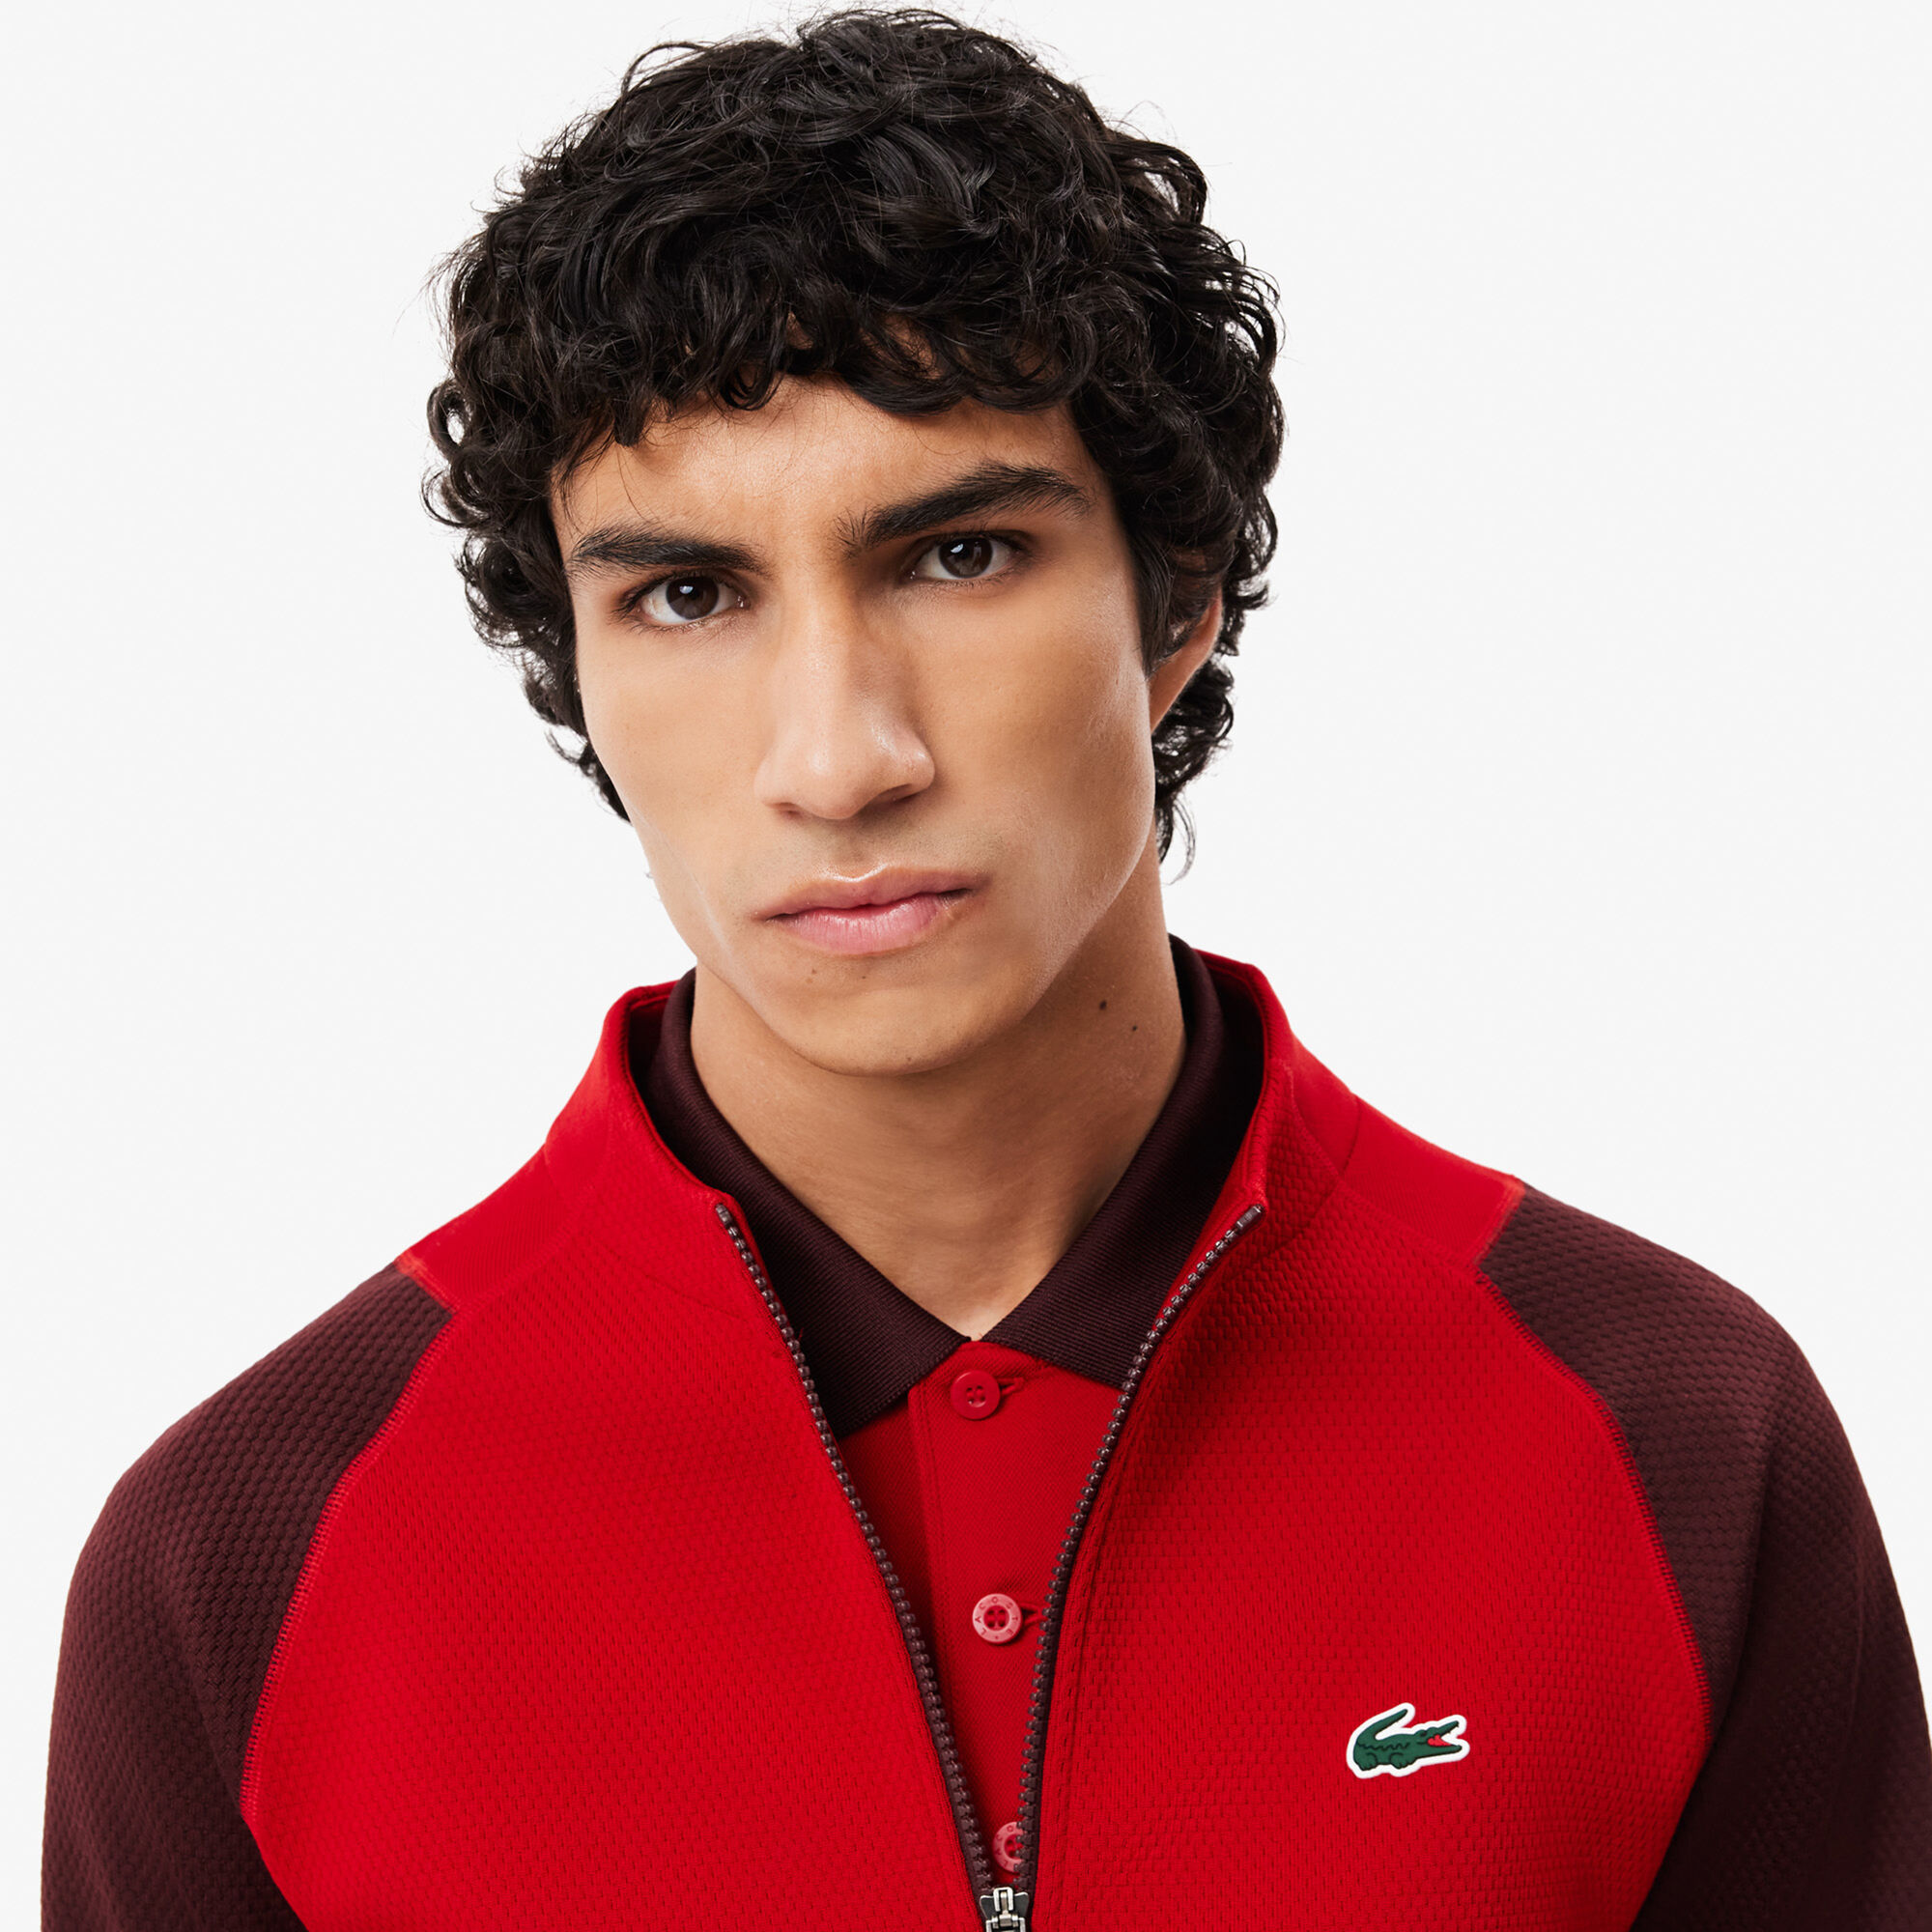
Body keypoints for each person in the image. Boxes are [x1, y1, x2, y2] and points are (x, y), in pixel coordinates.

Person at [40, 11, 1930, 1929]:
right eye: (686, 594)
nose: (837, 757)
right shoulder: (245, 1561)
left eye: (956, 556)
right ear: (577, 666)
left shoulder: (1674, 1437)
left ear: (1174, 600)